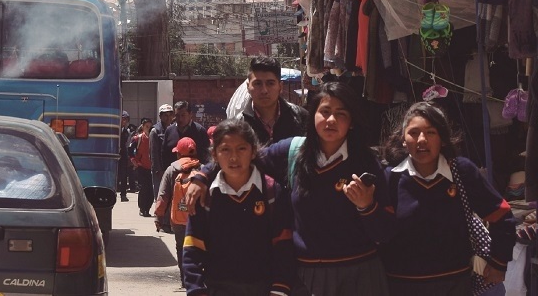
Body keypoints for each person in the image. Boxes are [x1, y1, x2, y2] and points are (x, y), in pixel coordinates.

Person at [187, 82, 395, 296]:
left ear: (351, 122)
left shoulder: (366, 162)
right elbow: (243, 157)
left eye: (341, 114)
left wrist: (366, 206)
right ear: (313, 115)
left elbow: (385, 232)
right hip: (306, 278)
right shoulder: (292, 151)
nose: (331, 120)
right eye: (324, 111)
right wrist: (203, 176)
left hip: (358, 276)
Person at [380, 101, 516, 296]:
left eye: (431, 132)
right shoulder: (390, 178)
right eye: (414, 133)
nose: (422, 140)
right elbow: (379, 230)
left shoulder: (462, 172)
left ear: (443, 139)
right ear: (403, 140)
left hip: (454, 285)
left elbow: (502, 215)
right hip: (401, 285)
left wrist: (499, 263)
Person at [181, 120, 295, 295]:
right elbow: (193, 248)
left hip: (263, 288)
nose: (233, 157)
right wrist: (196, 289)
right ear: (215, 154)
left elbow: (283, 247)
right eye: (225, 150)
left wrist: (279, 289)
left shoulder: (272, 191)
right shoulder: (205, 196)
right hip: (218, 287)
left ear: (253, 151)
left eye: (241, 148)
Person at [154, 136, 202, 288]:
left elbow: (163, 196)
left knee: (181, 248)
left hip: (178, 219)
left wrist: (159, 217)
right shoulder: (202, 169)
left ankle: (185, 280)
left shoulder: (171, 169)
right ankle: (199, 280)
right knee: (198, 248)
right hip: (197, 218)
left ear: (178, 154)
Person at [235, 56, 308, 146]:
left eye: (270, 83)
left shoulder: (301, 117)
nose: (264, 90)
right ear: (248, 87)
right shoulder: (239, 125)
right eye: (257, 84)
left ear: (280, 87)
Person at [162, 101, 210, 171]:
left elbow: (207, 155)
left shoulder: (199, 131)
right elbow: (164, 153)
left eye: (183, 115)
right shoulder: (169, 131)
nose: (180, 119)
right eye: (177, 115)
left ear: (190, 114)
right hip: (174, 174)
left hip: (195, 175)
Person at [151, 103, 175, 232]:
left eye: (170, 115)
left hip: (169, 168)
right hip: (159, 170)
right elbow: (153, 153)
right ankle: (159, 222)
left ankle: (168, 222)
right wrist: (157, 170)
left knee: (171, 196)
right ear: (160, 116)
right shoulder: (155, 131)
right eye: (165, 115)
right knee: (160, 197)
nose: (168, 117)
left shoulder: (173, 130)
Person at [131, 117, 154, 217]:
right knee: (144, 188)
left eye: (150, 126)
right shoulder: (138, 138)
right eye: (146, 127)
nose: (148, 128)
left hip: (152, 168)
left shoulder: (155, 138)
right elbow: (130, 150)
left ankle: (147, 209)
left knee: (151, 190)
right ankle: (142, 208)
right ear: (143, 127)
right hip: (142, 167)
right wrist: (134, 161)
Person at [118, 111, 131, 202]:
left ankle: (123, 194)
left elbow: (127, 144)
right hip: (115, 153)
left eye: (126, 119)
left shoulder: (127, 131)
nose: (124, 121)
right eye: (123, 119)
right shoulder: (115, 129)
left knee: (123, 175)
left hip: (123, 154)